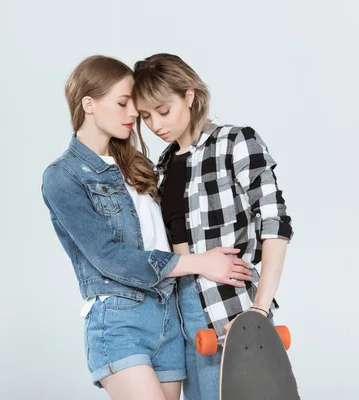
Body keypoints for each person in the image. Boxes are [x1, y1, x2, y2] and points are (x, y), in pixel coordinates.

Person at [41, 55, 251, 400]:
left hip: (169, 317)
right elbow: (110, 257)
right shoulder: (63, 177)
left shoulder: (142, 166)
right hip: (119, 319)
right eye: (123, 103)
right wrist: (202, 262)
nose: (134, 114)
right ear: (88, 104)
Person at [132, 53, 294, 400]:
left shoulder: (235, 143)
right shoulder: (161, 166)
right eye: (145, 116)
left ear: (188, 96)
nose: (156, 124)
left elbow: (275, 223)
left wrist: (259, 312)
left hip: (230, 305)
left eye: (163, 111)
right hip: (178, 312)